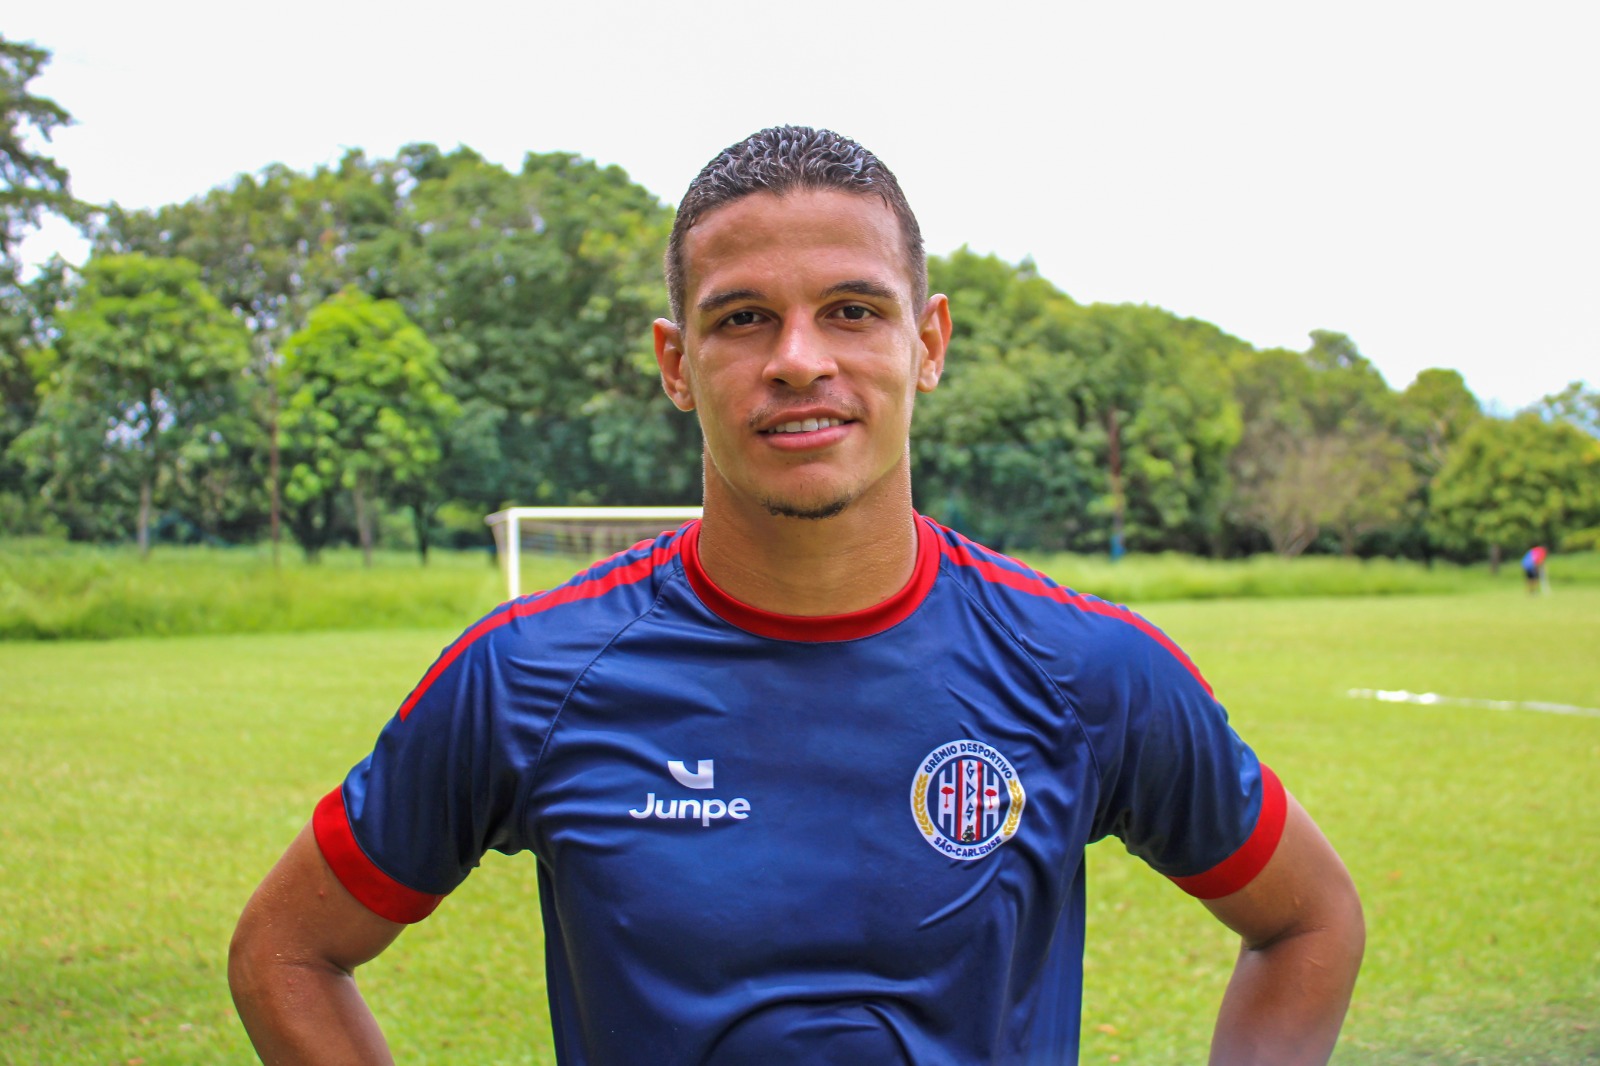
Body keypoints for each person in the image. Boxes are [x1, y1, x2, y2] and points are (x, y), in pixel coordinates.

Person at [230, 126, 1364, 1065]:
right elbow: (285, 953)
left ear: (928, 343)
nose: (798, 359)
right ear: (676, 363)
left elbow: (1309, 920)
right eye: (743, 318)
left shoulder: (1086, 670)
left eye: (853, 310)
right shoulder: (531, 675)